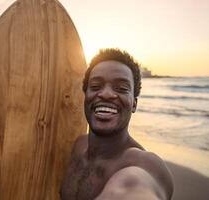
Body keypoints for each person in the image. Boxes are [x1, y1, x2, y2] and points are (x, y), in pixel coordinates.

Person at [60, 48, 173, 200]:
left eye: (121, 88)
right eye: (95, 86)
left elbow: (133, 187)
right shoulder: (78, 146)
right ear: (85, 96)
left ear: (134, 104)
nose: (106, 94)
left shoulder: (144, 164)